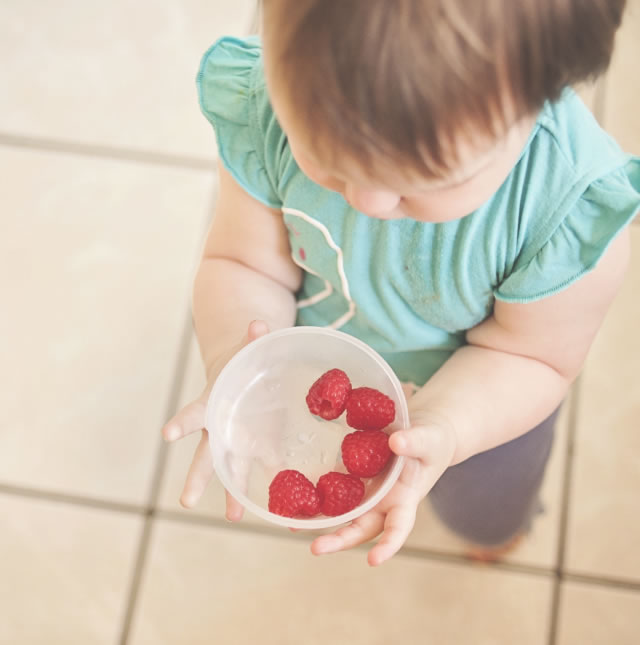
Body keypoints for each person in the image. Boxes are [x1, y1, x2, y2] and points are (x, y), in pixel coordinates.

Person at [162, 0, 639, 566]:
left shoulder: (564, 213)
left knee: (484, 507)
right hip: (327, 356)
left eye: (422, 182)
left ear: (541, 98)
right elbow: (245, 264)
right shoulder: (268, 107)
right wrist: (234, 362)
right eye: (324, 155)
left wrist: (447, 425)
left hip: (484, 402)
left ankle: (493, 534)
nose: (367, 201)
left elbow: (533, 357)